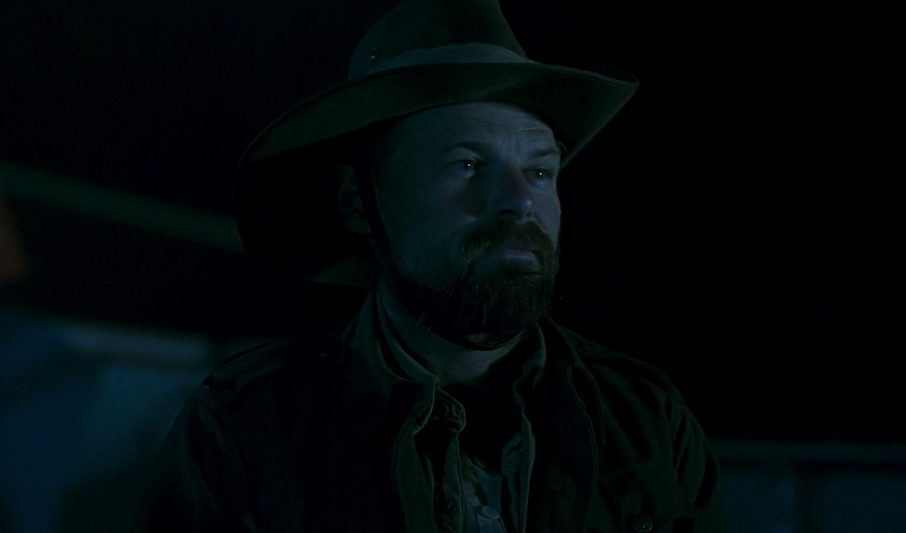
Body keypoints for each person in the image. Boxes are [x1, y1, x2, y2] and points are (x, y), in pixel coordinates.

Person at [143, 0, 729, 531]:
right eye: (467, 165)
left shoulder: (645, 416)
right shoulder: (249, 429)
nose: (520, 201)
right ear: (359, 203)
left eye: (540, 171)